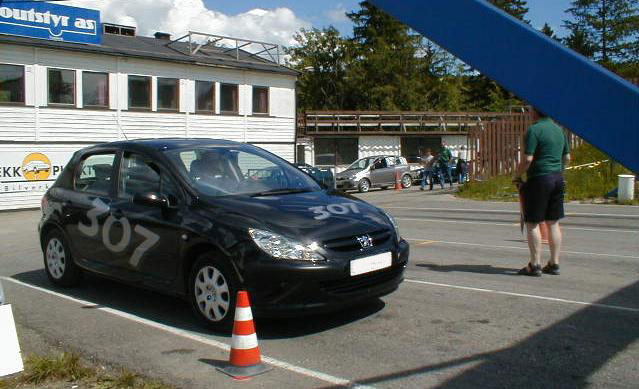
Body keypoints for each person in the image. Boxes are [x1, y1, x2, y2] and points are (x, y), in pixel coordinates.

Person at [513, 108, 570, 276]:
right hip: (557, 178)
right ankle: (554, 262)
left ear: (534, 113)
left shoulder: (534, 130)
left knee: (533, 222)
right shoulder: (559, 130)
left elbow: (528, 159)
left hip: (539, 179)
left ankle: (535, 264)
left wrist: (517, 175)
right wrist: (558, 171)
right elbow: (567, 158)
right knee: (553, 222)